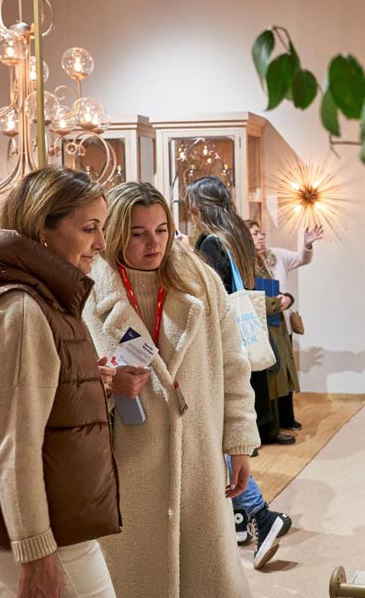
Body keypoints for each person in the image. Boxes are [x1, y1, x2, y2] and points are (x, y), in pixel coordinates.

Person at [0, 166, 121, 598]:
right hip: (48, 528)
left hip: (44, 519)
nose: (101, 242)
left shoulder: (27, 297)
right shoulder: (20, 308)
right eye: (89, 228)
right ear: (43, 230)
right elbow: (14, 446)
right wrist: (36, 550)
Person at [82, 181, 260, 596]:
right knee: (134, 576)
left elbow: (234, 366)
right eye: (139, 233)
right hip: (127, 463)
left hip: (198, 456)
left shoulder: (201, 281)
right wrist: (107, 383)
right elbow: (70, 377)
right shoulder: (88, 291)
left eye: (162, 229)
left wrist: (239, 442)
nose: (154, 243)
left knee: (207, 575)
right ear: (116, 233)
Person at [184, 175, 292, 568]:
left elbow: (208, 297)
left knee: (217, 433)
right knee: (224, 432)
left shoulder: (210, 242)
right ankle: (245, 517)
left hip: (219, 345)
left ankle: (255, 513)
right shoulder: (237, 236)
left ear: (198, 206)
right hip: (239, 344)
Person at [246, 219, 323, 430]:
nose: (260, 237)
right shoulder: (247, 263)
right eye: (254, 234)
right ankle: (276, 422)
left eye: (261, 233)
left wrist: (307, 244)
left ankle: (288, 417)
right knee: (274, 374)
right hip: (266, 323)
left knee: (287, 369)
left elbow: (301, 258)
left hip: (284, 321)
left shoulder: (276, 255)